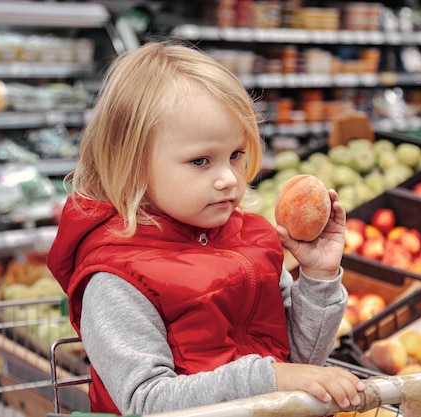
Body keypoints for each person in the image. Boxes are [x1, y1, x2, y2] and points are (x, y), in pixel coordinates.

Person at [47, 41, 364, 416]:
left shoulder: (254, 243)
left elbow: (298, 361)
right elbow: (146, 402)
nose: (229, 178)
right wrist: (269, 379)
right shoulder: (117, 278)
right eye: (201, 161)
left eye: (236, 155)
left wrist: (318, 278)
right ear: (132, 164)